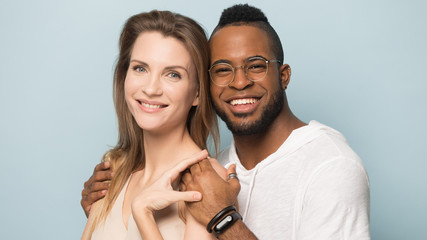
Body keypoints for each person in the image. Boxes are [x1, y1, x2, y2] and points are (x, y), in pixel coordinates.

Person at [82, 4, 370, 239]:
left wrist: (222, 218)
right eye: (222, 70)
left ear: (284, 75)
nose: (240, 82)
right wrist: (106, 215)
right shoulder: (210, 169)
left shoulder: (331, 166)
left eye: (255, 66)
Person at [81, 10, 239, 240]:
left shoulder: (205, 180)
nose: (151, 88)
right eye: (140, 68)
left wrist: (143, 213)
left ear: (196, 93)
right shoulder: (114, 171)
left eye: (173, 74)